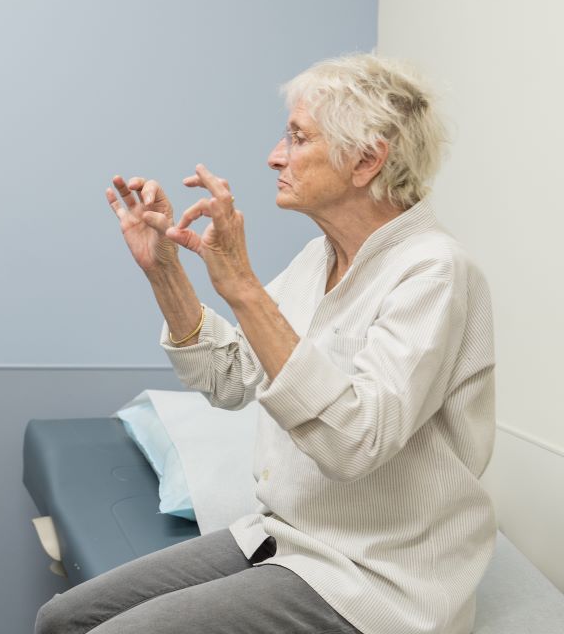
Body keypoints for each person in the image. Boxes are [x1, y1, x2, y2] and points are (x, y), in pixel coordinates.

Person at [36, 54, 495, 634]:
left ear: (366, 159)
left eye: (297, 138)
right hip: (286, 537)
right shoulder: (319, 259)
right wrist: (165, 270)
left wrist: (245, 290)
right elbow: (231, 380)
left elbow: (354, 444)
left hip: (374, 577)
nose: (275, 156)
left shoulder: (434, 273)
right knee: (63, 619)